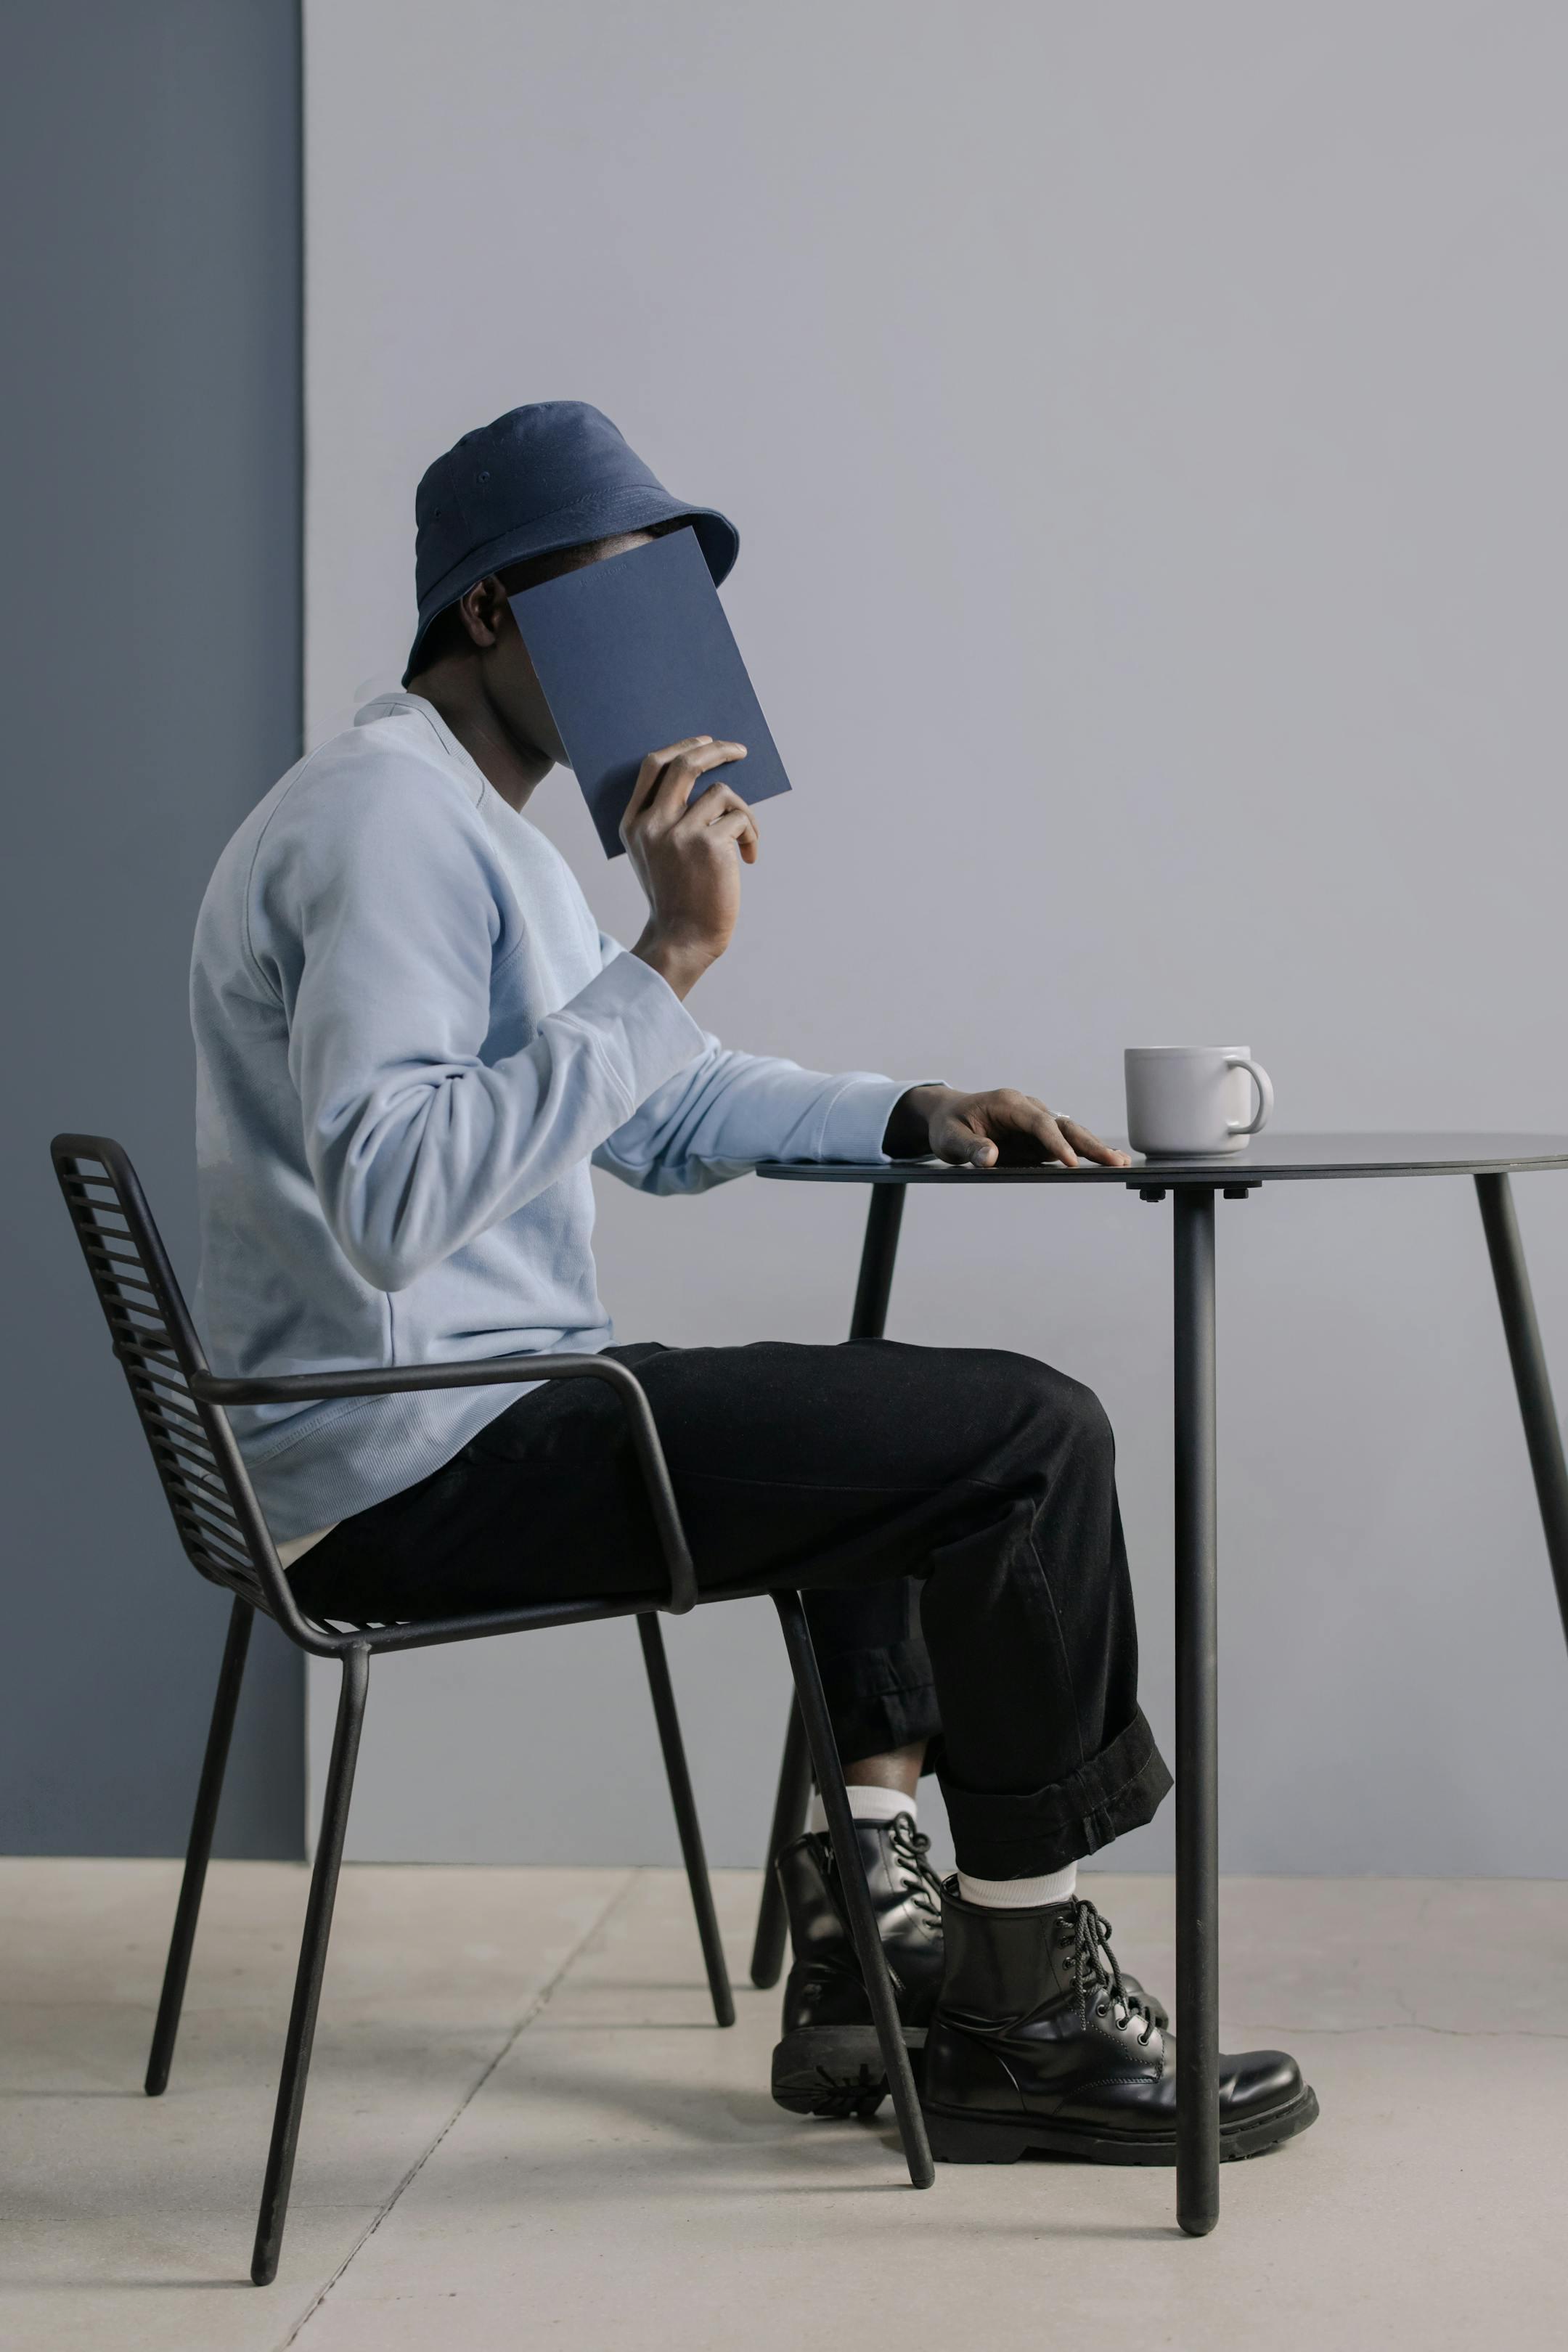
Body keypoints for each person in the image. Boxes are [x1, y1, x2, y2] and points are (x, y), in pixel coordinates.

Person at [191, 401, 1317, 2167]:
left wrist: (912, 1111)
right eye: (622, 591)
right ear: (493, 612)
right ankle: (1025, 2015)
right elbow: (397, 1201)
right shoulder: (387, 829)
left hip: (456, 1423)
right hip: (417, 1463)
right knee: (1023, 1435)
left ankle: (866, 1953)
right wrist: (669, 945)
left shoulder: (468, 827)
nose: (665, 645)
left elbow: (659, 1097)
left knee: (886, 1431)